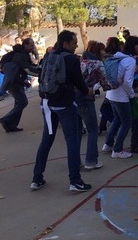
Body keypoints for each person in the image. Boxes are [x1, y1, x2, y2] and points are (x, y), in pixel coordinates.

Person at [30, 30, 93, 192]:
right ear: (65, 44)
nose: (76, 45)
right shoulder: (71, 59)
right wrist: (88, 91)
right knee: (72, 141)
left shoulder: (49, 56)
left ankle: (37, 178)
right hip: (65, 104)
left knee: (46, 140)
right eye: (74, 43)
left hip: (47, 104)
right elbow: (79, 82)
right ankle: (75, 181)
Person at [101, 37, 135, 159]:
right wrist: (132, 95)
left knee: (117, 119)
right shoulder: (130, 61)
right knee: (126, 122)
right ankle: (117, 149)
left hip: (110, 94)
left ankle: (108, 144)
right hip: (122, 96)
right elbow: (127, 82)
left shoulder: (110, 58)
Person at [77, 44, 108, 170]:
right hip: (86, 98)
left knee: (77, 132)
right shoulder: (98, 64)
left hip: (73, 98)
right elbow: (106, 82)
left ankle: (75, 161)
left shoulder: (78, 62)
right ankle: (91, 160)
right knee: (93, 130)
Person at [0, 38, 40, 132]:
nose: (32, 47)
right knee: (23, 102)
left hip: (16, 82)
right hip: (14, 83)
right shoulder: (20, 55)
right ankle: (6, 119)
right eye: (31, 45)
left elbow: (29, 67)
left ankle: (10, 125)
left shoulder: (22, 54)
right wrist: (41, 74)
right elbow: (28, 70)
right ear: (25, 45)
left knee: (18, 103)